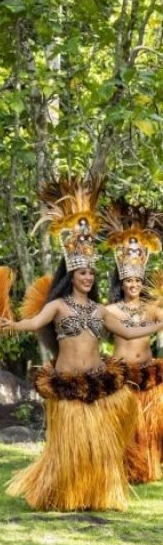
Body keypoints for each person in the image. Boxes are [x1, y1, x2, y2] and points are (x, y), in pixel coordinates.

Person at [0, 175, 162, 511]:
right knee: (68, 448)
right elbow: (35, 322)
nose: (88, 278)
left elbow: (131, 332)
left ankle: (94, 493)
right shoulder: (58, 306)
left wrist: (160, 322)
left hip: (97, 382)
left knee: (96, 447)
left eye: (91, 273)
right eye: (82, 273)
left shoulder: (100, 309)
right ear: (70, 276)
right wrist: (13, 324)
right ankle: (62, 493)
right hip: (66, 385)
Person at [103, 199, 163, 484]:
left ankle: (146, 466)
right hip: (121, 373)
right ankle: (122, 466)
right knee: (122, 424)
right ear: (122, 283)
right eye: (129, 282)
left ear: (143, 283)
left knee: (145, 426)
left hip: (148, 373)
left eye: (138, 282)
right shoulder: (110, 310)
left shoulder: (153, 309)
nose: (134, 286)